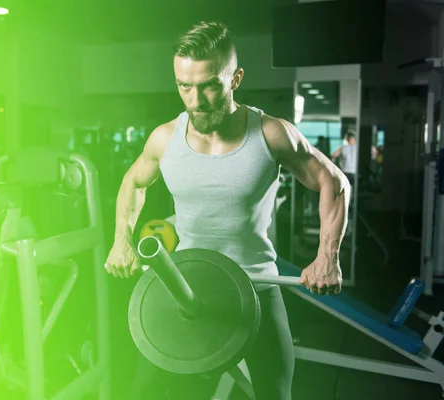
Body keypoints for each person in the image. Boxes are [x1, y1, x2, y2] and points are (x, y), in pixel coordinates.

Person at [104, 21, 351, 400]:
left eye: (208, 85)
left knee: (275, 391)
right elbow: (133, 183)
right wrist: (121, 240)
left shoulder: (271, 133)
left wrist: (326, 256)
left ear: (235, 79)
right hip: (187, 290)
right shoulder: (165, 138)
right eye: (185, 86)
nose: (196, 99)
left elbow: (332, 182)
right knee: (154, 391)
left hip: (256, 286)